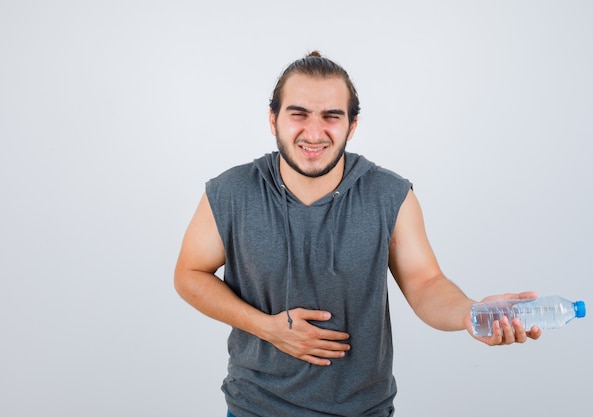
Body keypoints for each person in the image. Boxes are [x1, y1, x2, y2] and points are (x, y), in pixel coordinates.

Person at [174, 51, 542, 417]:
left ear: (352, 125)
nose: (314, 133)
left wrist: (471, 312)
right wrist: (268, 328)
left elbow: (427, 284)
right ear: (273, 119)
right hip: (254, 409)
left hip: (363, 411)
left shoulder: (390, 195)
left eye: (331, 117)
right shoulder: (231, 192)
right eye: (298, 114)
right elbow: (189, 275)